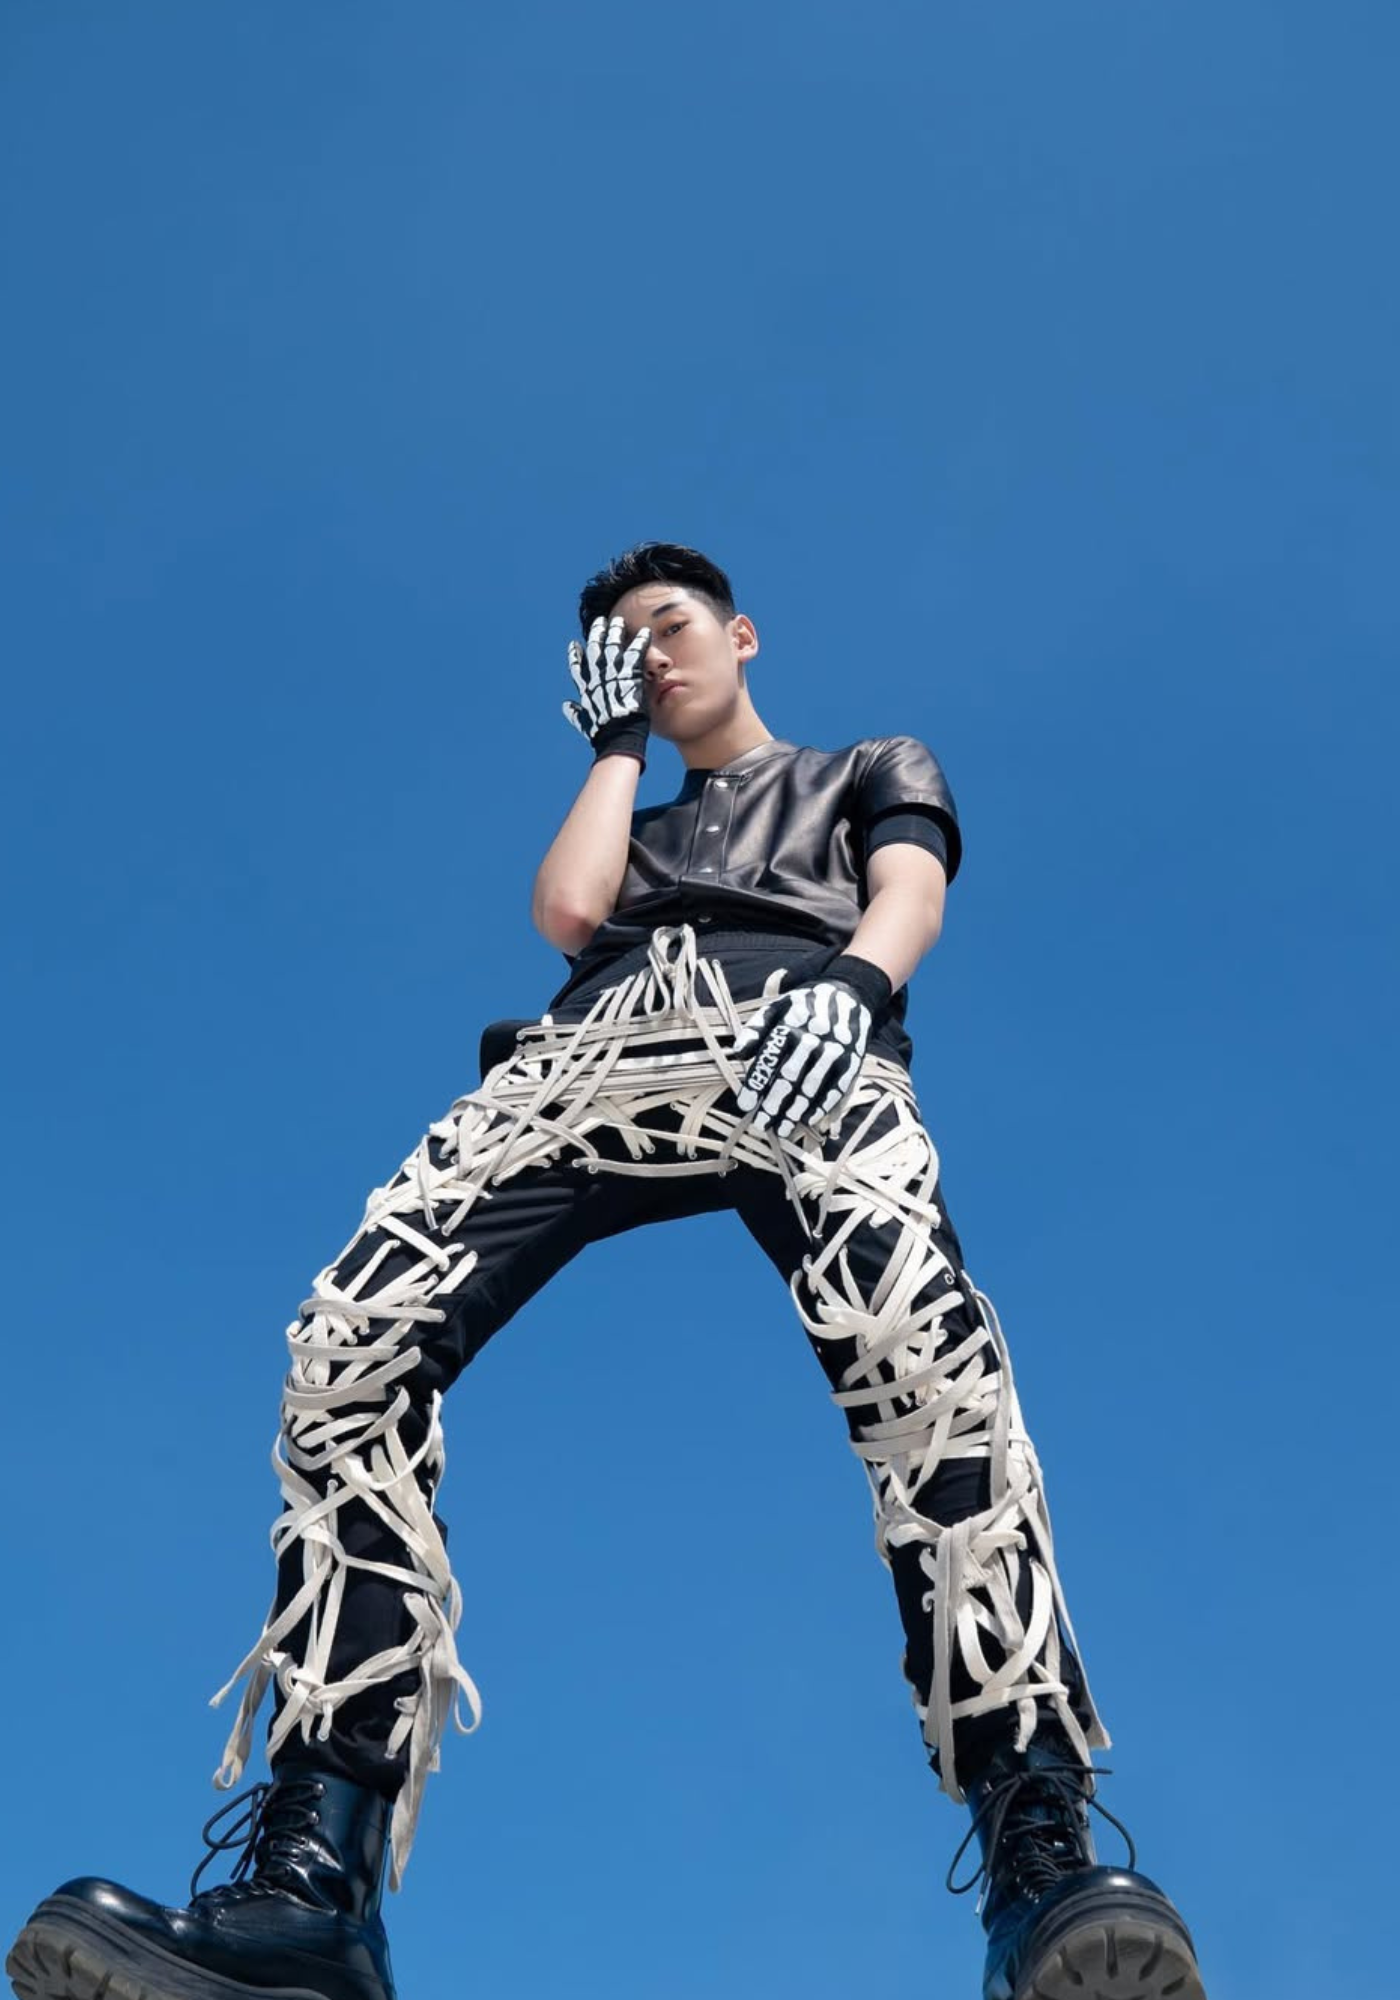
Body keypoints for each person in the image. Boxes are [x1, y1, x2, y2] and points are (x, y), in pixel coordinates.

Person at [7, 545, 1206, 2000]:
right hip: (594, 1057)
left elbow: (910, 889)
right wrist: (617, 749)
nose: (651, 653)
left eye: (672, 626)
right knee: (351, 1342)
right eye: (621, 645)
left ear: (744, 634)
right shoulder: (634, 815)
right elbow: (569, 918)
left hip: (797, 1032)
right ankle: (316, 1878)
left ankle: (1040, 1850)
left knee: (927, 1360)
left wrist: (853, 988)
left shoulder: (867, 764)